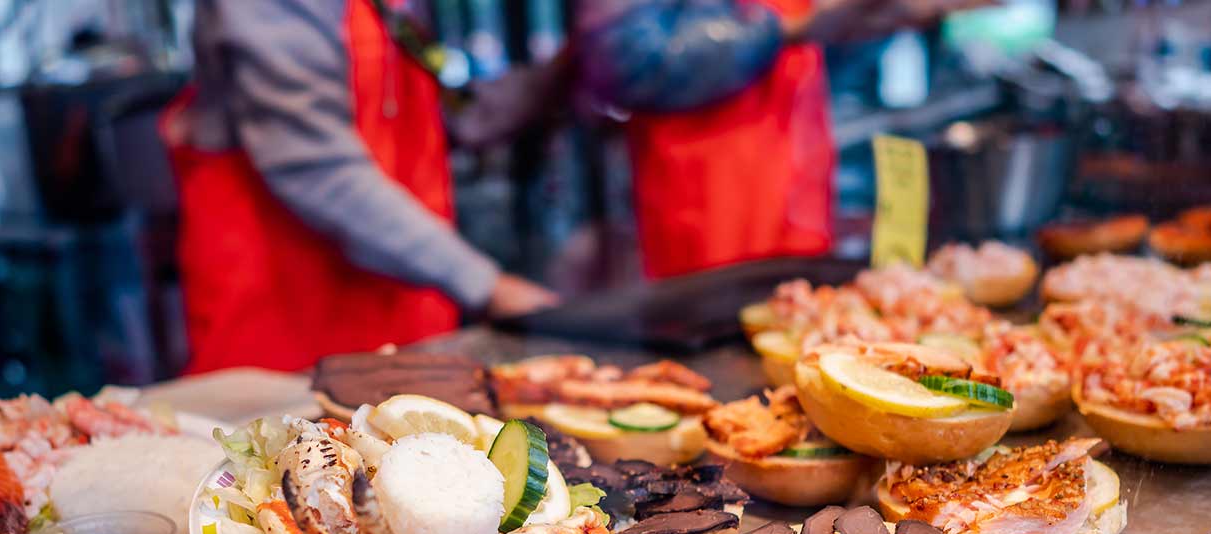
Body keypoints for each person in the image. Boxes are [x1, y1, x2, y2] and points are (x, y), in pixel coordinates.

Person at [164, 0, 558, 374]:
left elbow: (458, 117)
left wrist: (566, 71)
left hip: (400, 323)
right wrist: (487, 285)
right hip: (285, 333)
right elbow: (313, 164)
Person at [575, 0, 981, 278]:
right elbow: (623, 62)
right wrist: (792, 28)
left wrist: (885, 16)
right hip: (707, 206)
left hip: (794, 188)